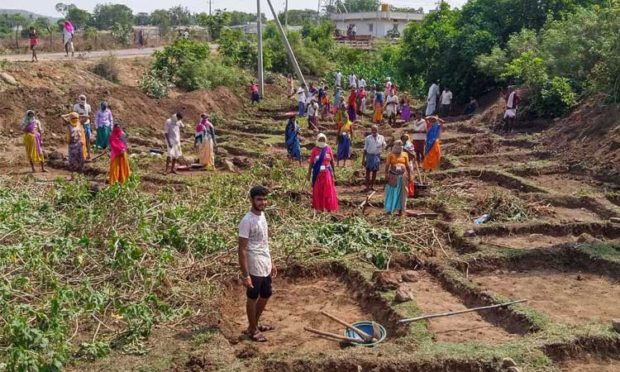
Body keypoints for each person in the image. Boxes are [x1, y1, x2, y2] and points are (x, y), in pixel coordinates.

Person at [238, 185, 277, 343]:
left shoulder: (262, 216)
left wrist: (271, 261)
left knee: (266, 293)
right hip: (254, 263)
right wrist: (245, 275)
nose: (263, 202)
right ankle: (252, 330)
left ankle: (253, 324)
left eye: (265, 199)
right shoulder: (247, 221)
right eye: (259, 199)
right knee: (253, 296)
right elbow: (242, 250)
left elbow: (264, 242)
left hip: (265, 261)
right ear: (252, 200)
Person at [307, 133, 338, 212]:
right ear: (317, 140)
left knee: (328, 191)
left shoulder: (328, 149)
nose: (321, 141)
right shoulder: (314, 150)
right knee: (319, 191)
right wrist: (309, 173)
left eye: (323, 140)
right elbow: (311, 163)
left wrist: (334, 173)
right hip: (318, 174)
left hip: (327, 173)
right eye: (320, 139)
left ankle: (328, 208)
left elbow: (332, 162)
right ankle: (320, 208)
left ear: (325, 140)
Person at [384, 140, 412, 216]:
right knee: (392, 192)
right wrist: (386, 175)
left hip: (403, 176)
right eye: (397, 145)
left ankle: (401, 210)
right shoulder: (390, 155)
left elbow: (408, 166)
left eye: (400, 145)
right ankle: (390, 210)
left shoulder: (405, 154)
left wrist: (410, 176)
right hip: (393, 176)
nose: (399, 147)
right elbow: (387, 166)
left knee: (402, 193)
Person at [362, 125, 386, 192]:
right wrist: (363, 159)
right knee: (368, 171)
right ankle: (367, 187)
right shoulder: (368, 138)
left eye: (375, 130)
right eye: (373, 130)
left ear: (378, 130)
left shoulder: (381, 137)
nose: (374, 131)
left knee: (375, 171)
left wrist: (382, 147)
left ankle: (372, 186)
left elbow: (384, 145)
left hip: (377, 156)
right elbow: (365, 149)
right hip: (369, 156)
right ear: (371, 130)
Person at [74, 95, 92, 159]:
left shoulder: (88, 106)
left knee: (87, 140)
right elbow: (74, 116)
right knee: (79, 140)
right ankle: (80, 154)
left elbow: (89, 115)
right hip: (79, 125)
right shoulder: (76, 106)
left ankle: (88, 154)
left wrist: (90, 124)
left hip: (87, 125)